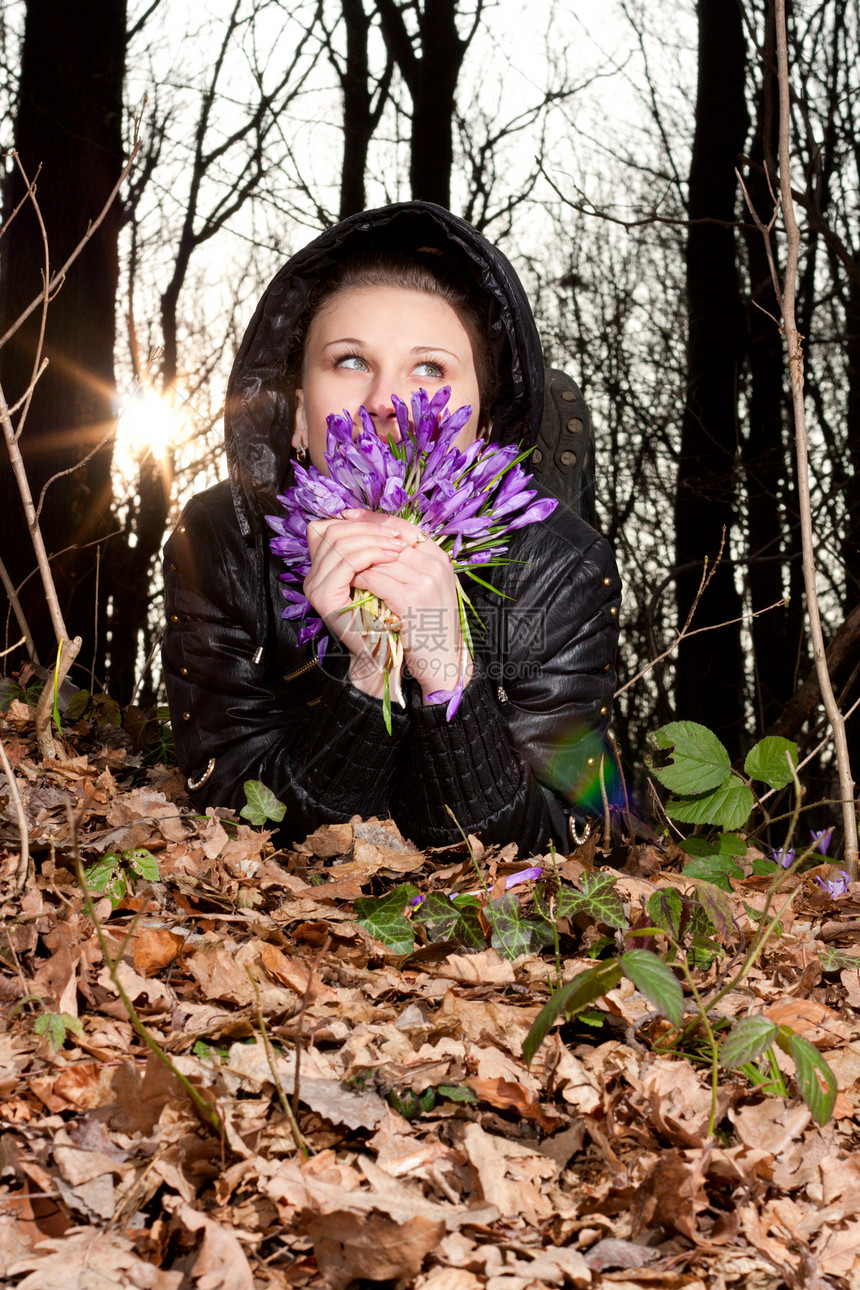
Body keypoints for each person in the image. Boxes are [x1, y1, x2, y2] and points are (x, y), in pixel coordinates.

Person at [162, 202, 621, 856]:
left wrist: (444, 669)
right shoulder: (221, 542)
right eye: (350, 361)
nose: (385, 402)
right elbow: (235, 821)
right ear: (296, 415)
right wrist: (371, 670)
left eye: (430, 369)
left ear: (485, 425)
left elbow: (552, 848)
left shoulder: (562, 570)